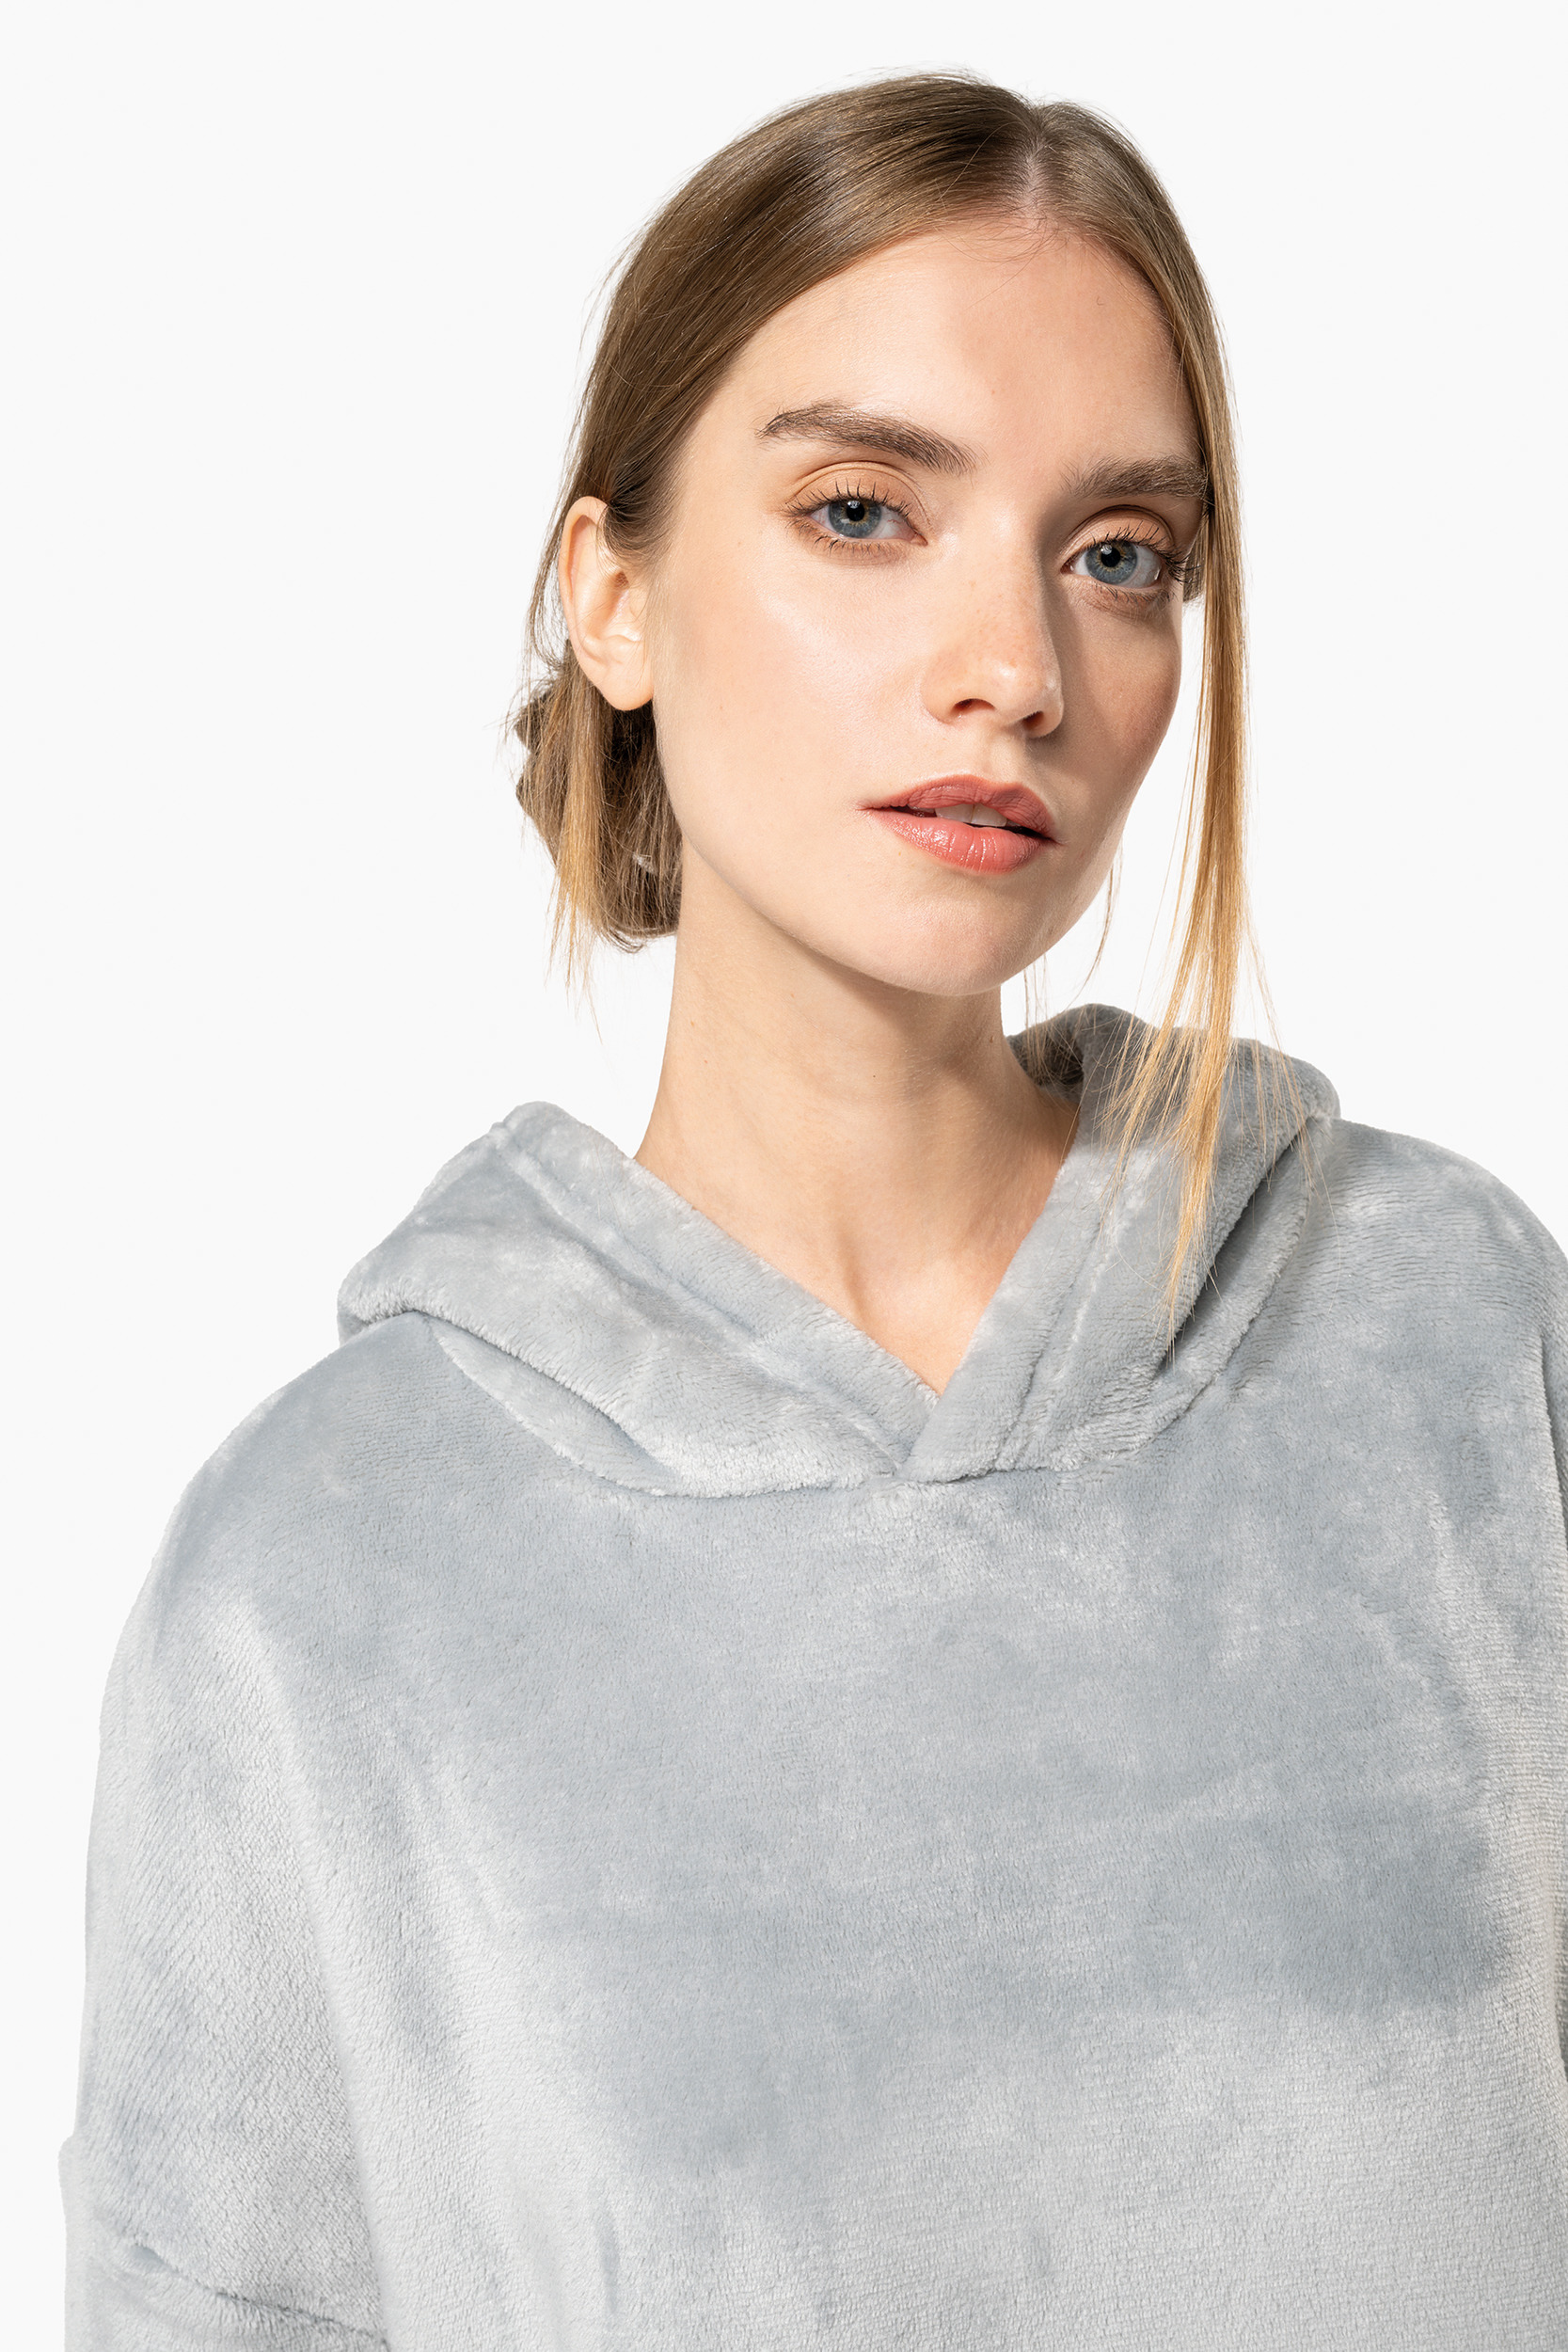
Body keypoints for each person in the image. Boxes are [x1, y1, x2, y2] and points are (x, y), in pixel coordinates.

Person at [63, 73, 1568, 2351]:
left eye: (1118, 553)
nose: (1018, 670)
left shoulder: (1443, 1339)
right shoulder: (329, 1575)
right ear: (613, 594)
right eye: (865, 511)